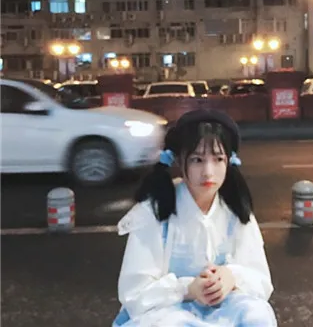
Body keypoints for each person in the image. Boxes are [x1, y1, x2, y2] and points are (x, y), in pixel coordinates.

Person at [112, 109, 277, 327]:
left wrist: (230, 278)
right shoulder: (156, 211)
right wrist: (188, 288)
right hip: (167, 311)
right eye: (197, 160)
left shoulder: (235, 210)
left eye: (218, 159)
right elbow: (134, 292)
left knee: (257, 316)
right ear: (179, 160)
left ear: (230, 161)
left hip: (226, 308)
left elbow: (260, 279)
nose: (208, 172)